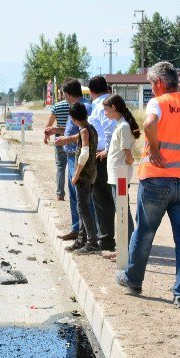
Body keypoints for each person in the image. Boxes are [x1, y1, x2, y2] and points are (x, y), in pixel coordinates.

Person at [116, 62, 180, 309]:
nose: (152, 89)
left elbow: (150, 124)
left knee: (144, 232)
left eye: (152, 84)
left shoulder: (158, 103)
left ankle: (133, 280)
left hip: (156, 178)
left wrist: (157, 148)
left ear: (160, 83)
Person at [46, 80, 95, 240]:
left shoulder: (84, 107)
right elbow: (76, 130)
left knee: (82, 197)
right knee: (75, 196)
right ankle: (77, 229)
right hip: (72, 155)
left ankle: (87, 234)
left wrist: (66, 140)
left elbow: (85, 132)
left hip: (79, 156)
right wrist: (58, 130)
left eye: (63, 95)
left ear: (67, 94)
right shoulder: (77, 107)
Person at [101, 94, 139, 259]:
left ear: (114, 108)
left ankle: (128, 250)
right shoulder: (120, 125)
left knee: (123, 212)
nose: (105, 113)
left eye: (106, 109)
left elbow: (128, 154)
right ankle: (124, 249)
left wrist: (129, 163)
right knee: (122, 211)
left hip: (121, 176)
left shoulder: (123, 126)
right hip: (117, 175)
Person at [87, 76, 117, 251]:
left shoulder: (101, 105)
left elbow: (108, 130)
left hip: (103, 157)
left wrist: (106, 150)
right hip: (110, 155)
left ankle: (106, 240)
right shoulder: (110, 101)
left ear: (91, 92)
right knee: (113, 199)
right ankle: (111, 237)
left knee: (103, 200)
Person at [66, 102, 100, 254]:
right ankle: (81, 240)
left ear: (73, 119)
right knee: (83, 208)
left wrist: (76, 173)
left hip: (84, 175)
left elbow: (84, 154)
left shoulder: (85, 131)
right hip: (90, 173)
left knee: (83, 209)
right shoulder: (90, 128)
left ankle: (92, 242)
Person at [43, 94, 71, 200]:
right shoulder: (75, 105)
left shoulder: (57, 106)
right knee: (74, 166)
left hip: (59, 138)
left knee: (60, 167)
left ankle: (60, 194)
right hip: (73, 138)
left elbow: (50, 123)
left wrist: (46, 136)